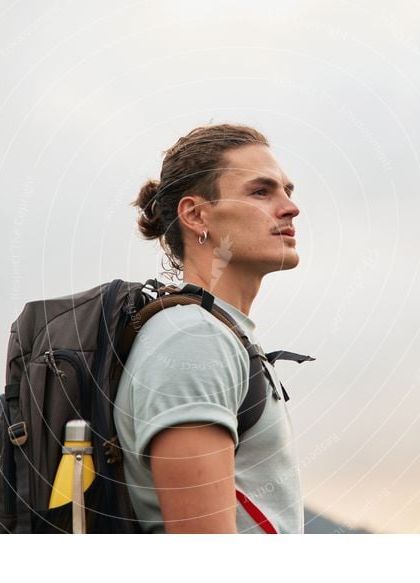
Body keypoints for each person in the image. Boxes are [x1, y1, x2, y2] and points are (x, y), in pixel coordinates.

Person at [113, 123, 304, 533]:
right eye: (261, 191)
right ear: (197, 215)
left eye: (288, 190)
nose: (290, 207)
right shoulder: (194, 341)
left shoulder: (216, 333)